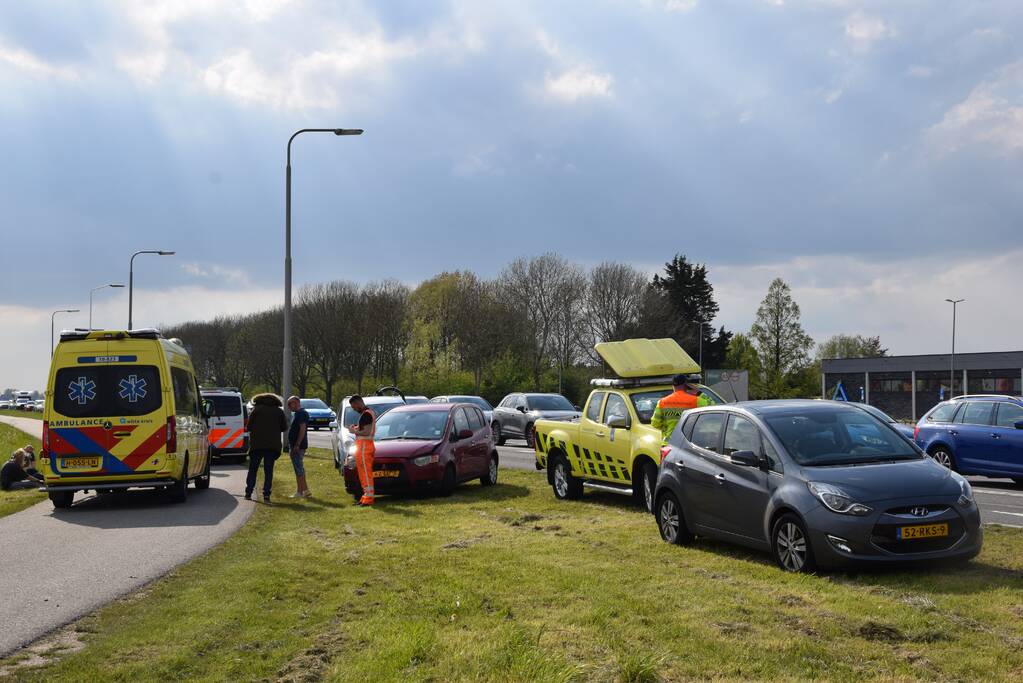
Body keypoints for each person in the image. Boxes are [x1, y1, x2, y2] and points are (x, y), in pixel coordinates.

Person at [244, 393, 288, 503]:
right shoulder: (279, 411)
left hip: (257, 445)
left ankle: (248, 492)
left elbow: (248, 427)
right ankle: (266, 495)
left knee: (253, 469)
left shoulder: (256, 410)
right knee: (268, 471)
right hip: (272, 446)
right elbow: (284, 427)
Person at [651, 373, 712, 446]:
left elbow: (655, 423)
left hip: (669, 445)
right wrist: (698, 392)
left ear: (673, 386)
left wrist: (667, 426)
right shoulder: (696, 400)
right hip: (689, 445)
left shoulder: (662, 402)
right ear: (686, 385)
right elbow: (713, 405)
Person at [346, 395, 376, 507]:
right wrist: (357, 428)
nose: (354, 409)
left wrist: (353, 430)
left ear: (358, 403)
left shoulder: (367, 414)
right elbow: (364, 429)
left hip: (365, 447)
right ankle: (365, 497)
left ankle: (368, 498)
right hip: (364, 446)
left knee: (366, 473)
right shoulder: (367, 414)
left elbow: (366, 432)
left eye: (354, 407)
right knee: (363, 473)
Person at [286, 395, 312, 498]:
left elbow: (302, 429)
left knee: (298, 469)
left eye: (290, 404)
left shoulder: (301, 413)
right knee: (299, 468)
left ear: (296, 402)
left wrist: (297, 444)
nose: (288, 406)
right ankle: (304, 490)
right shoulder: (298, 414)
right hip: (296, 445)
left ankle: (301, 492)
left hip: (298, 446)